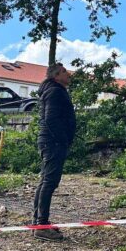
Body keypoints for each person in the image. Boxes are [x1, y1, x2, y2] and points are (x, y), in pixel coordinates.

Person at [32, 62, 75, 241]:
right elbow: (51, 119)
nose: (69, 74)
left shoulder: (53, 90)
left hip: (51, 141)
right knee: (49, 182)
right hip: (53, 143)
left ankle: (39, 222)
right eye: (65, 72)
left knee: (46, 181)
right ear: (56, 76)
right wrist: (62, 139)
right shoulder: (55, 92)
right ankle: (41, 225)